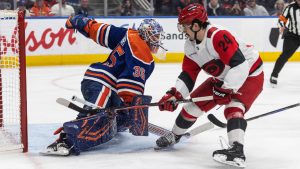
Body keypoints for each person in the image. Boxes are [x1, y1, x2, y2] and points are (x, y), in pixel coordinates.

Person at [155, 3, 264, 167]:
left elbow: (240, 65)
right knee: (193, 106)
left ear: (197, 25)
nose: (182, 30)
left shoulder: (218, 36)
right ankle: (175, 135)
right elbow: (188, 75)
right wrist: (175, 94)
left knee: (233, 107)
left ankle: (237, 150)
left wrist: (226, 89)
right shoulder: (190, 46)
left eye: (185, 26)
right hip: (224, 76)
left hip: (250, 73)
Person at [41, 15, 166, 156]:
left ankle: (118, 119)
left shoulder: (128, 34)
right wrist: (132, 107)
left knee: (118, 114)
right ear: (146, 35)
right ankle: (66, 140)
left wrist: (82, 23)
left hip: (104, 82)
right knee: (95, 114)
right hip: (101, 82)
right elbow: (129, 83)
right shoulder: (142, 51)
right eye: (155, 36)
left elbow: (102, 31)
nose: (157, 40)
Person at [270, 0, 300, 87]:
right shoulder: (290, 7)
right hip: (292, 36)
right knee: (284, 56)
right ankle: (274, 75)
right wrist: (281, 26)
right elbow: (282, 19)